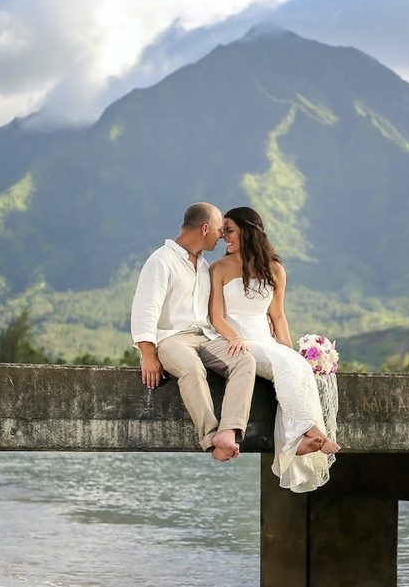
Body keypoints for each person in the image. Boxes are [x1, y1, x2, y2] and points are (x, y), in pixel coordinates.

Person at [208, 206, 339, 493]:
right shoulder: (218, 268)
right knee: (283, 365)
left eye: (228, 230)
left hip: (265, 340)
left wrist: (291, 352)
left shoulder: (275, 270)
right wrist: (233, 337)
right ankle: (310, 431)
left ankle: (298, 441)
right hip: (237, 342)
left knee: (295, 365)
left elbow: (278, 316)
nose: (223, 237)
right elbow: (215, 316)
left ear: (247, 230)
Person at [131, 202, 257, 462]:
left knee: (244, 360)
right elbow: (145, 309)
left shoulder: (203, 265)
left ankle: (228, 431)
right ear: (204, 228)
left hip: (205, 336)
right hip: (171, 339)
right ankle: (211, 439)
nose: (222, 235)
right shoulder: (161, 261)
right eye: (219, 230)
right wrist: (148, 355)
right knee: (192, 369)